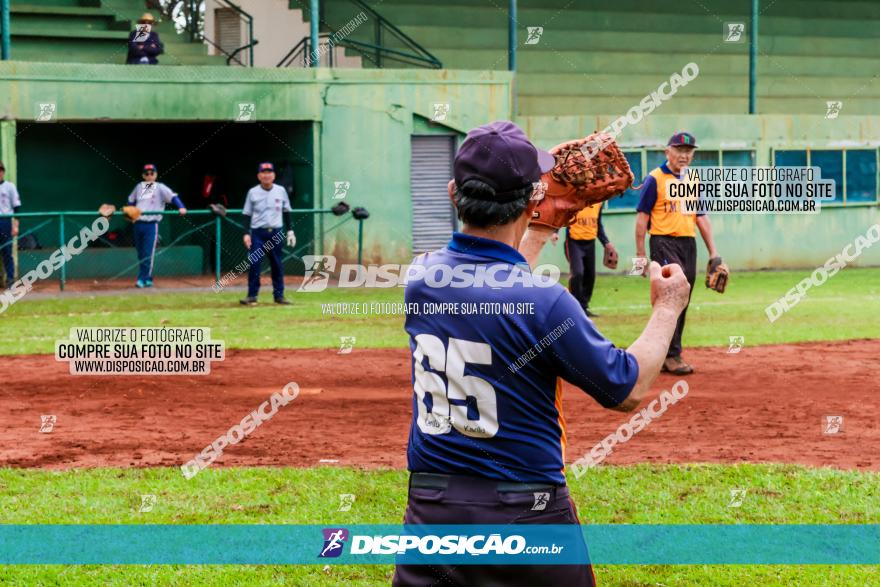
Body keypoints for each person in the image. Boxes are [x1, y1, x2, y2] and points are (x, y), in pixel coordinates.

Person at [394, 121, 691, 586]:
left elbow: (493, 286)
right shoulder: (545, 302)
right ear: (530, 199)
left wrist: (542, 223)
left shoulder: (421, 278)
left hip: (433, 518)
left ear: (454, 193)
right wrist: (668, 307)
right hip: (525, 518)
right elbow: (627, 387)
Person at [635, 132, 721, 375]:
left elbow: (700, 217)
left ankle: (664, 353)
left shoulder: (691, 179)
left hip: (688, 243)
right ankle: (670, 355)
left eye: (688, 151)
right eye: (679, 150)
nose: (684, 155)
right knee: (671, 294)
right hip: (663, 242)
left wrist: (714, 253)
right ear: (667, 152)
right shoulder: (655, 179)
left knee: (682, 298)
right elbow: (642, 219)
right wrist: (640, 256)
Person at [240, 162, 296, 306]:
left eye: (269, 172)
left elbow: (286, 211)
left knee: (277, 264)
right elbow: (246, 214)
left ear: (274, 175)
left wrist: (290, 231)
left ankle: (279, 296)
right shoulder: (253, 192)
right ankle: (252, 295)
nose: (266, 175)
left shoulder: (281, 190)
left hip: (276, 232)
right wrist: (246, 233)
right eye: (263, 172)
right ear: (259, 176)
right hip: (258, 233)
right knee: (255, 264)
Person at [126, 164, 187, 288]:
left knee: (148, 253)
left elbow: (173, 196)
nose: (149, 175)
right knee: (141, 253)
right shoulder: (139, 187)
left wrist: (181, 207)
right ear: (143, 175)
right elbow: (130, 200)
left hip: (151, 224)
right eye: (146, 173)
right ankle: (147, 278)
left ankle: (142, 279)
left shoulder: (160, 187)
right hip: (138, 223)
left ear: (156, 174)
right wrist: (130, 211)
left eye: (151, 173)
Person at [565, 203, 617, 317]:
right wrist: (554, 233)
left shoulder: (598, 203)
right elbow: (561, 216)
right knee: (578, 273)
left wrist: (606, 243)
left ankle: (584, 307)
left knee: (590, 276)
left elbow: (598, 225)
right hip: (574, 241)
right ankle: (574, 307)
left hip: (590, 242)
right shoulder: (575, 200)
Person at [0, 161, 21, 288]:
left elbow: (17, 207)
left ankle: (10, 280)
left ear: (3, 172)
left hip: (5, 221)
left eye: (0, 170)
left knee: (7, 251)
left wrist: (16, 225)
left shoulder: (10, 186)